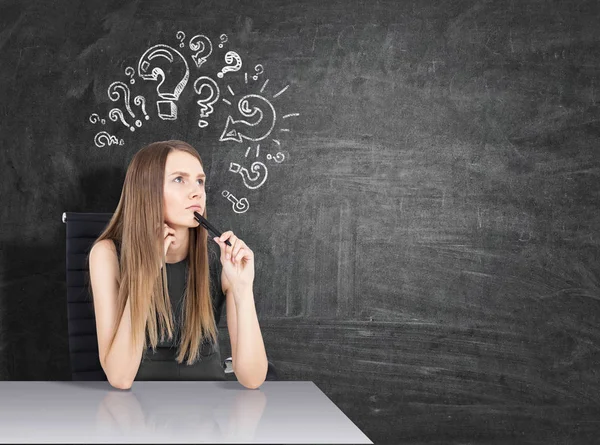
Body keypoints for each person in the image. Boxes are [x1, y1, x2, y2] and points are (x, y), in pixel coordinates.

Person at [87, 140, 268, 390]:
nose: (196, 192)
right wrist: (146, 274)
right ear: (146, 191)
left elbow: (253, 378)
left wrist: (243, 288)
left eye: (199, 181)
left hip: (209, 414)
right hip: (135, 414)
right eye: (179, 180)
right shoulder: (107, 255)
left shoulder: (219, 260)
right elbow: (119, 377)